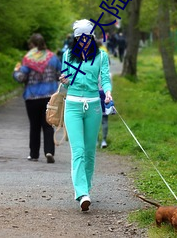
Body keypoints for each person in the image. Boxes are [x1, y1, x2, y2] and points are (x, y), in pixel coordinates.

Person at [59, 19, 112, 211]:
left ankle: (86, 189)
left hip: (94, 107)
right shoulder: (67, 55)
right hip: (72, 106)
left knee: (90, 152)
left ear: (92, 37)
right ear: (75, 39)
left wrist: (107, 92)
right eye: (80, 38)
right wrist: (63, 80)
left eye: (86, 37)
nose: (83, 41)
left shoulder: (101, 57)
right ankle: (81, 193)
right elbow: (65, 84)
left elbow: (105, 78)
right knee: (78, 151)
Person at [13, 33, 61, 163]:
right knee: (48, 124)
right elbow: (60, 75)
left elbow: (21, 78)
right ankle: (49, 151)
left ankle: (34, 155)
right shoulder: (53, 58)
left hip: (32, 97)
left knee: (34, 126)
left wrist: (16, 71)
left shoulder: (28, 59)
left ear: (32, 45)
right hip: (49, 97)